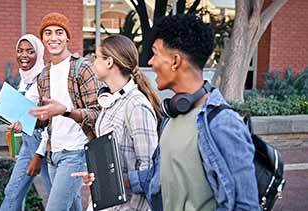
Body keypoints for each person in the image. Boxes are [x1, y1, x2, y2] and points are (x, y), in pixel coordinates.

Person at [147, 14, 260, 210]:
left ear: (175, 61)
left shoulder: (223, 124)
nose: (150, 62)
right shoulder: (172, 115)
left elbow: (246, 206)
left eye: (155, 53)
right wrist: (116, 179)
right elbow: (164, 176)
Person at [72, 35, 162, 211]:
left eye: (96, 57)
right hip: (105, 203)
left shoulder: (136, 106)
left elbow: (149, 173)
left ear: (109, 62)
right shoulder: (110, 101)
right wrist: (97, 177)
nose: (92, 63)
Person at [27, 12, 100, 211]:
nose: (53, 38)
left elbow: (96, 113)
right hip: (53, 154)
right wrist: (25, 123)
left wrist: (66, 111)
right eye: (48, 33)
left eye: (59, 32)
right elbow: (48, 121)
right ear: (42, 39)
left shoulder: (82, 68)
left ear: (67, 37)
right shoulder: (43, 76)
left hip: (76, 152)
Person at [0, 34, 52, 211]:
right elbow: (26, 116)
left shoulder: (44, 80)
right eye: (20, 51)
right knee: (12, 192)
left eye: (30, 51)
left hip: (44, 148)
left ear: (39, 53)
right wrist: (15, 123)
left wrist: (38, 155)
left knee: (58, 200)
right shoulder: (25, 78)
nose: (24, 55)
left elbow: (50, 123)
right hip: (28, 145)